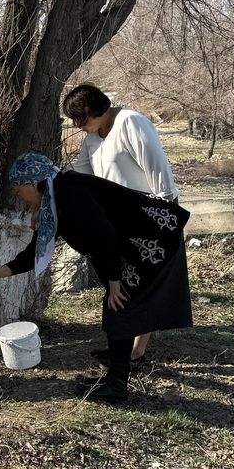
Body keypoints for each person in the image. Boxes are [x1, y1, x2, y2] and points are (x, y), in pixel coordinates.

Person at [0, 152, 192, 403]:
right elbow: (35, 252)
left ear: (33, 183)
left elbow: (104, 236)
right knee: (119, 308)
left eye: (19, 189)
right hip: (136, 245)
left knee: (119, 306)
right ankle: (115, 373)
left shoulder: (71, 194)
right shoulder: (56, 198)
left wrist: (114, 282)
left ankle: (116, 385)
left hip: (156, 240)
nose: (19, 197)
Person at [63, 83, 178, 369]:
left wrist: (166, 218)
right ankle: (122, 346)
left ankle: (136, 352)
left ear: (97, 109)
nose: (79, 126)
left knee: (143, 287)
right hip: (114, 222)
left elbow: (159, 171)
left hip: (148, 217)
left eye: (82, 119)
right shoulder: (92, 137)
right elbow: (81, 176)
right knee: (121, 286)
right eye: (75, 121)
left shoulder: (131, 123)